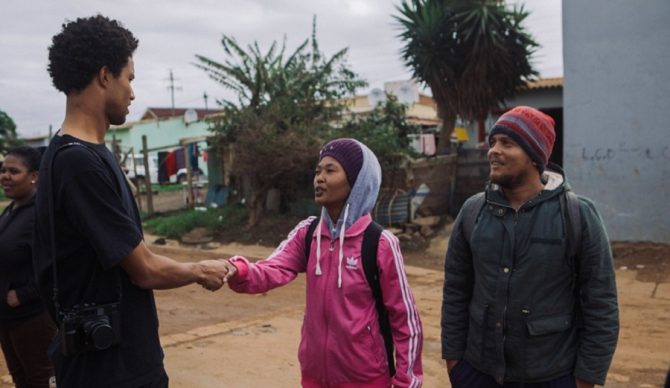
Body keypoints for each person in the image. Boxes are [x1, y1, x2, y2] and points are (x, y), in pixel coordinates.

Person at [33, 15, 228, 387]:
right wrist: (200, 270)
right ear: (105, 76)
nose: (133, 93)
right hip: (109, 372)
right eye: (130, 78)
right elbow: (145, 269)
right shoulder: (78, 163)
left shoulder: (86, 154)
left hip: (120, 361)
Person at [222, 138, 423, 387]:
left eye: (330, 170)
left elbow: (405, 320)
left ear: (356, 181)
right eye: (317, 171)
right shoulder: (308, 233)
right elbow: (271, 269)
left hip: (367, 379)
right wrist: (236, 269)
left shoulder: (380, 243)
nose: (319, 178)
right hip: (315, 378)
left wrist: (406, 382)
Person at [441, 106, 619, 388]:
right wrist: (455, 363)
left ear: (535, 157)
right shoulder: (473, 211)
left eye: (507, 143)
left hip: (552, 375)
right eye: (493, 142)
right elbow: (455, 291)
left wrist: (585, 379)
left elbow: (601, 302)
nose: (493, 151)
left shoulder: (577, 214)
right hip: (477, 372)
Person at [0, 146, 56, 388]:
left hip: (32, 317)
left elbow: (58, 264)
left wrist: (23, 295)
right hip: (7, 317)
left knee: (40, 378)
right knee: (20, 377)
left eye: (14, 171)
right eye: (3, 170)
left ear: (34, 176)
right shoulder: (11, 210)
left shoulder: (42, 215)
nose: (5, 176)